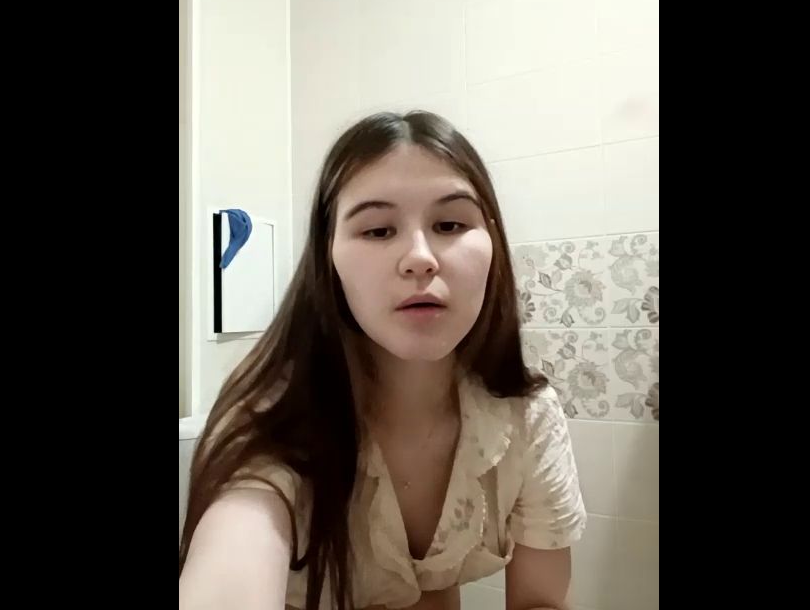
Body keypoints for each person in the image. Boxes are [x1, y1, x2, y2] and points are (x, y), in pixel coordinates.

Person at [179, 111, 586, 610]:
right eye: (377, 230)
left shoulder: (526, 416)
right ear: (328, 256)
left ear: (493, 245)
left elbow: (541, 602)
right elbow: (236, 547)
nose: (420, 257)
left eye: (450, 224)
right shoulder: (273, 419)